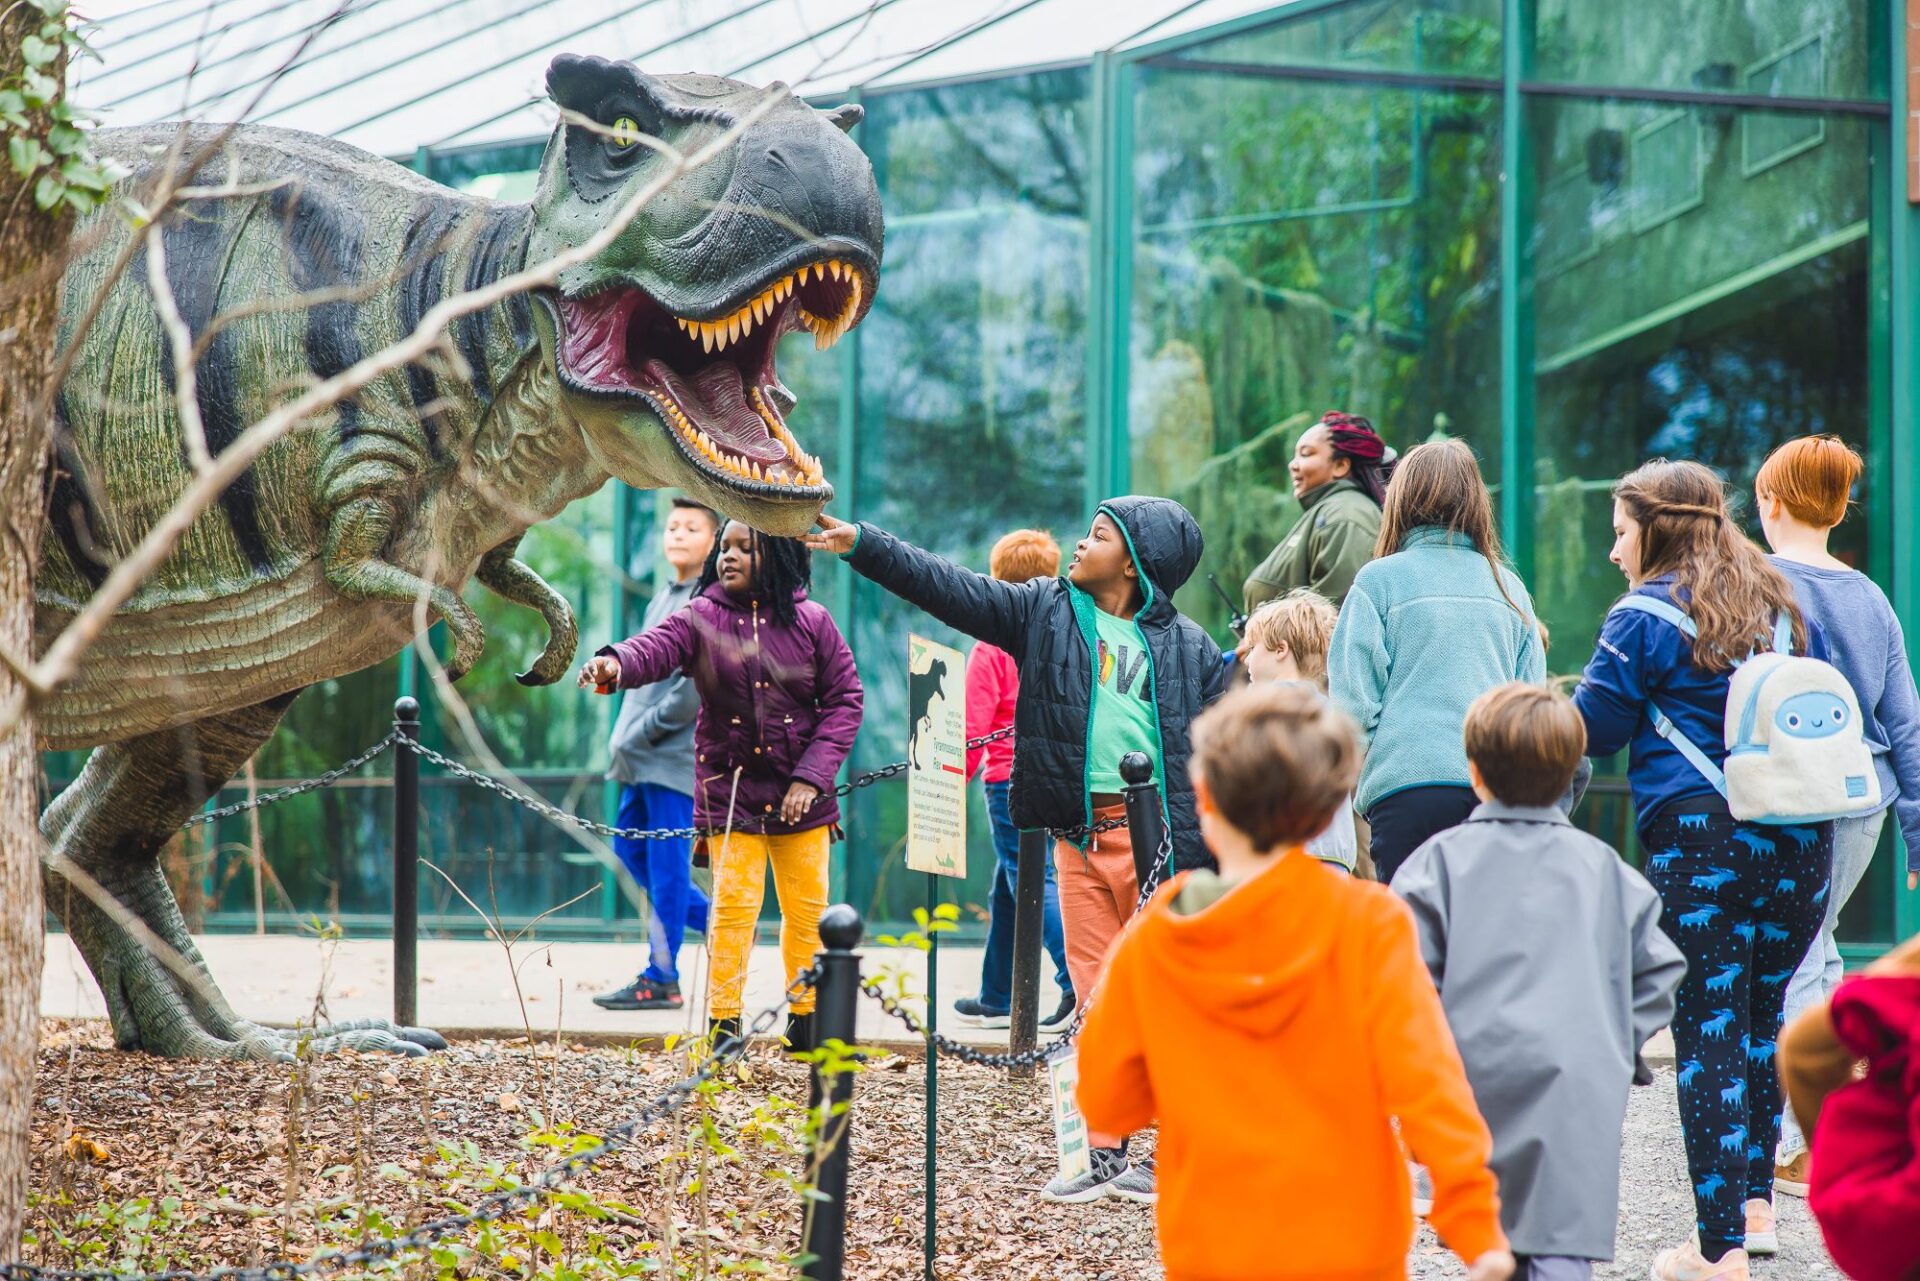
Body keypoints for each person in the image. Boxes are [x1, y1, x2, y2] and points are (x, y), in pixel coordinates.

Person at [805, 497, 1227, 1202]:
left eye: (1096, 536)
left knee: (1170, 999)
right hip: (1078, 836)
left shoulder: (1191, 647)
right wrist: (864, 545)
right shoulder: (1045, 611)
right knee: (1096, 997)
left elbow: (1218, 744)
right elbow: (950, 588)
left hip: (1160, 842)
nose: (1078, 543)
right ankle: (1104, 1149)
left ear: (1133, 560)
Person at [1075, 683, 1514, 1281]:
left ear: (1203, 796)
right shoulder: (1370, 923)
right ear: (1329, 805)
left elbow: (1108, 1100)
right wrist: (1477, 1231)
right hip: (1353, 1242)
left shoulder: (1157, 938)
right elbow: (1429, 1085)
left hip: (1213, 1243)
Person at [1572, 459, 1833, 1281]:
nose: (1615, 551)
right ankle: (1755, 1211)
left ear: (1654, 527)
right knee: (1760, 1022)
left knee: (1707, 1033)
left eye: (1620, 531)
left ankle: (1716, 1250)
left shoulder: (1641, 616)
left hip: (1702, 844)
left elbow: (1596, 728)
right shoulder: (1780, 605)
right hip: (1802, 837)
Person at [1393, 683, 1686, 1281]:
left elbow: (1403, 975)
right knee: (1558, 1243)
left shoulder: (1436, 864)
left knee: (1485, 1235)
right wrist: (1617, 1040)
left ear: (1473, 773)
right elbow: (1659, 968)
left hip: (1470, 1078)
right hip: (1576, 1081)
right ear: (1572, 776)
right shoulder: (1605, 869)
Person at [579, 522, 863, 1052]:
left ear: (774, 554)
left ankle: (806, 1021)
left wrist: (812, 777)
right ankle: (724, 1027)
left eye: (745, 548)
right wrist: (613, 663)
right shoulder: (699, 617)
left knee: (806, 913)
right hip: (731, 797)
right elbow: (654, 648)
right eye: (725, 548)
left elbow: (846, 699)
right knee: (733, 912)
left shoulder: (813, 621)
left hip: (805, 800)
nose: (729, 556)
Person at [1752, 434, 1920, 1193]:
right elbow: (1906, 724)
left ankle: (1799, 1140)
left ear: (1770, 501)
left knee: (1792, 952)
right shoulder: (1871, 597)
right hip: (1863, 802)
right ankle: (1825, 1129)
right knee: (1817, 946)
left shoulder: (1758, 583)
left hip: (1788, 797)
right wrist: (1916, 836)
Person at [1329, 438, 1544, 883]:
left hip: (1405, 791)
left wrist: (1359, 782)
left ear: (1400, 499)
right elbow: (1530, 706)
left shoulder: (1378, 581)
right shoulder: (1509, 589)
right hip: (1493, 795)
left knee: (1412, 944)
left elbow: (1351, 707)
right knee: (1483, 942)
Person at [594, 498, 719, 1012]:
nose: (679, 535)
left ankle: (662, 976)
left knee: (667, 870)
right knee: (632, 855)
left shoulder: (708, 602)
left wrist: (640, 731)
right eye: (672, 526)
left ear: (715, 542)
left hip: (671, 762)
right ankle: (725, 922)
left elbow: (692, 692)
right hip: (638, 760)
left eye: (692, 528)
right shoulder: (664, 595)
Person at [951, 529, 1078, 1035]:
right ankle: (997, 994)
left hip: (1006, 782)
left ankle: (1076, 980)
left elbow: (973, 726)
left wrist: (950, 784)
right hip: (1054, 775)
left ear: (996, 578)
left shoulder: (991, 647)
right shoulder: (1060, 639)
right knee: (1010, 884)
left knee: (1030, 878)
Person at [1777, 932, 1920, 1281]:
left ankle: (1798, 1154)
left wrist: (1844, 1162)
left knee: (1807, 957)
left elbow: (1805, 1051)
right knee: (1820, 943)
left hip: (1897, 1229)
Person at [1237, 590, 1358, 873]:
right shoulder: (1331, 712)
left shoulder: (1268, 709)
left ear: (1281, 650)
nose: (1246, 659)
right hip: (1336, 857)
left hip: (1289, 857)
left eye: (1253, 648)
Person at [1244, 410, 1394, 612]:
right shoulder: (1330, 511)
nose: (1292, 465)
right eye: (1295, 456)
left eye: (1305, 454)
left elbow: (1335, 620)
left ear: (1340, 465)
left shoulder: (1345, 516)